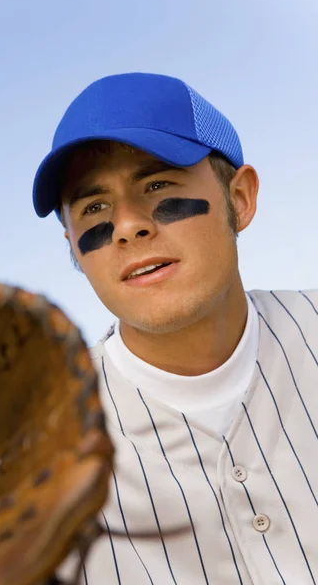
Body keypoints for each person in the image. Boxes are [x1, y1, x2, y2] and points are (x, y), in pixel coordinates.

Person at [32, 73, 318, 584]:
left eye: (158, 183)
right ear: (75, 246)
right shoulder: (19, 451)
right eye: (94, 207)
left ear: (241, 197)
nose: (127, 225)